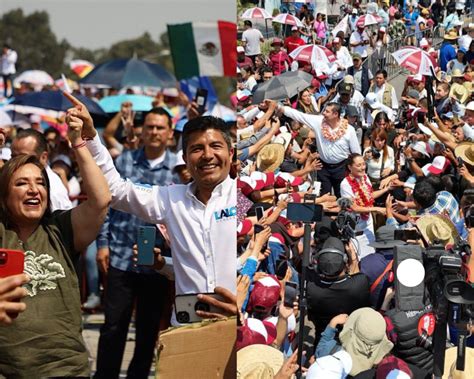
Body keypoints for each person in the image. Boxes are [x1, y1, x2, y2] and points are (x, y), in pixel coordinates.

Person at [64, 92, 237, 309]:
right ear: (184, 159)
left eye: (216, 146)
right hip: (188, 326)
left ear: (231, 154)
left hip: (236, 322)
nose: (207, 155)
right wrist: (90, 136)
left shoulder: (242, 199)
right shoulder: (171, 198)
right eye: (197, 148)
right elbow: (115, 190)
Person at [0, 111, 111, 377]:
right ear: (4, 196)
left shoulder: (60, 228)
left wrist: (79, 143)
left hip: (66, 369)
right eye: (22, 183)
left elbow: (101, 200)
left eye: (40, 183)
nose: (33, 190)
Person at [94, 107, 179, 378]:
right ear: (142, 131)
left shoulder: (178, 171)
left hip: (156, 262)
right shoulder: (125, 161)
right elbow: (105, 204)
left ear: (169, 133)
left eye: (160, 128)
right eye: (150, 127)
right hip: (120, 254)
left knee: (147, 328)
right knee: (113, 326)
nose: (154, 132)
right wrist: (102, 243)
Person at [277, 101, 361, 197]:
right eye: (324, 110)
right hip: (323, 167)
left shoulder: (349, 130)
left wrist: (357, 171)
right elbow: (300, 116)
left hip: (341, 167)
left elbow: (356, 153)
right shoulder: (318, 121)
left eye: (327, 111)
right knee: (324, 195)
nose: (324, 113)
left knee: (342, 195)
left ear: (335, 114)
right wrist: (280, 107)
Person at [340, 154, 392, 258]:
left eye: (364, 164)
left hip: (368, 223)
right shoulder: (345, 184)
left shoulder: (365, 177)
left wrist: (386, 189)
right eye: (359, 165)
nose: (363, 167)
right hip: (356, 226)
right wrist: (375, 209)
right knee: (359, 257)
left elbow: (370, 196)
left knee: (371, 253)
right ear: (350, 167)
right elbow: (354, 207)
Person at [11, 129, 73, 211]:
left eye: (23, 157)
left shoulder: (53, 191)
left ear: (43, 157)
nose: (17, 162)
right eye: (13, 157)